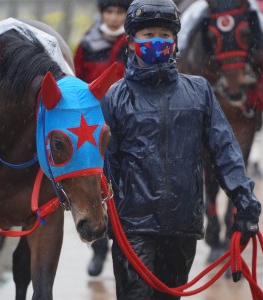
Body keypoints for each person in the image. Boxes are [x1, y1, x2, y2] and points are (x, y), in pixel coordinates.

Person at [100, 0, 261, 299]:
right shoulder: (115, 97)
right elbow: (104, 163)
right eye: (148, 35)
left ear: (175, 40)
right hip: (133, 228)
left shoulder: (199, 91)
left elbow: (224, 149)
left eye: (164, 33)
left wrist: (245, 200)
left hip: (182, 227)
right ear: (132, 42)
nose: (156, 41)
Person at [73, 0, 133, 276]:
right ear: (102, 13)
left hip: (127, 122)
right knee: (96, 187)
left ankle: (124, 247)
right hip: (94, 128)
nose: (113, 17)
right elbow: (76, 82)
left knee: (125, 186)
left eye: (119, 12)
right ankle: (98, 249)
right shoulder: (87, 44)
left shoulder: (133, 43)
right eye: (109, 12)